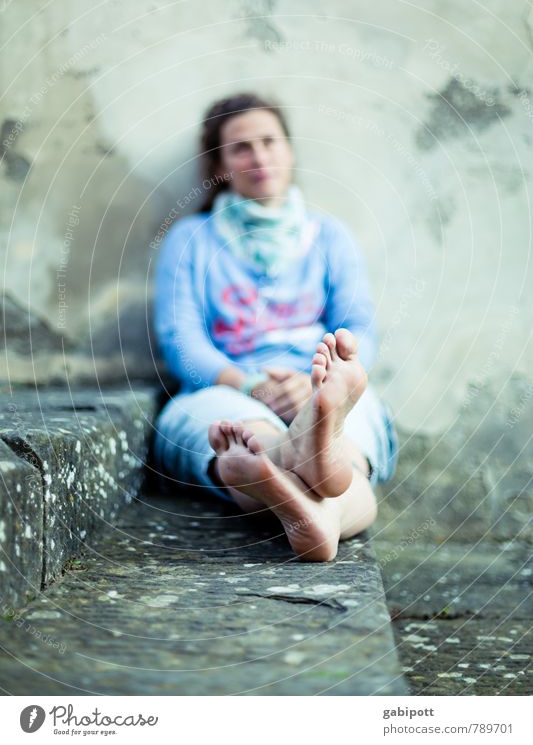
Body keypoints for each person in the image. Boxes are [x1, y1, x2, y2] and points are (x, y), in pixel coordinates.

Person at [153, 93, 398, 561]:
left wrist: (317, 388)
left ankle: (304, 450)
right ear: (219, 164)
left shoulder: (330, 236)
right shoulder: (191, 240)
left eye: (270, 141)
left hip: (320, 384)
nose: (259, 155)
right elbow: (180, 341)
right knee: (239, 434)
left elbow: (359, 326)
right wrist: (252, 385)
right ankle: (310, 487)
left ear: (289, 149)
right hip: (226, 386)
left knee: (338, 433)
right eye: (241, 147)